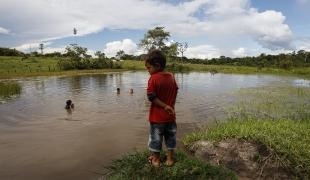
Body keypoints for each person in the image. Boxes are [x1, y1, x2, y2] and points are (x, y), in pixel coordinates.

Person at [145, 49, 178, 167]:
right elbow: (175, 90)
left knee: (156, 139)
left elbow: (151, 97)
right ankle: (169, 159)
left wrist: (165, 106)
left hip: (157, 118)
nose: (147, 70)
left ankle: (156, 160)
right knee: (170, 138)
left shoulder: (153, 78)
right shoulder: (171, 76)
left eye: (149, 68)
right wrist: (170, 105)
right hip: (171, 117)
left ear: (157, 66)